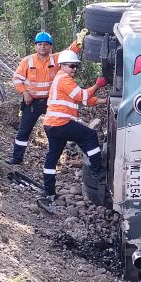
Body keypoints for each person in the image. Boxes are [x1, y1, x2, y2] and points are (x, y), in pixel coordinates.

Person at [7, 30, 87, 165]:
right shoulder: (27, 61)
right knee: (24, 131)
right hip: (31, 102)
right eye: (39, 44)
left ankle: (57, 157)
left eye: (45, 44)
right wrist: (25, 93)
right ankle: (16, 158)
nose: (42, 47)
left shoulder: (56, 59)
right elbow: (16, 79)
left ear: (50, 47)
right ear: (35, 46)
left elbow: (70, 51)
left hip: (50, 103)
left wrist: (79, 40)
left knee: (59, 127)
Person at [40, 49, 108, 203]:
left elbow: (85, 100)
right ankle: (97, 171)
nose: (74, 69)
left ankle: (48, 191)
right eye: (72, 66)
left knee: (52, 157)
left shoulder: (62, 79)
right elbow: (82, 95)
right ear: (62, 66)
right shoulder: (64, 78)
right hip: (61, 123)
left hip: (52, 125)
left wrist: (104, 101)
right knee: (90, 136)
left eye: (76, 66)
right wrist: (97, 85)